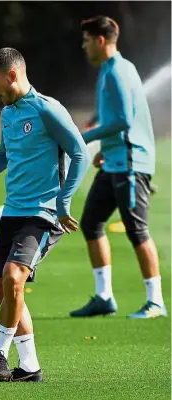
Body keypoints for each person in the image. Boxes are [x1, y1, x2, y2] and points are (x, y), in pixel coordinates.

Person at [0, 47, 90, 382]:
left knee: (14, 278)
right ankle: (29, 366)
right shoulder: (8, 114)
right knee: (4, 290)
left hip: (44, 214)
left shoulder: (47, 109)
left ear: (12, 74)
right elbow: (3, 155)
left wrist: (64, 202)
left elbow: (80, 153)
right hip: (13, 212)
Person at [70, 16, 166, 319]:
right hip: (114, 160)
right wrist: (104, 149)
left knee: (137, 231)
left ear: (100, 40)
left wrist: (87, 137)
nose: (84, 47)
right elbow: (117, 116)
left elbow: (124, 120)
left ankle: (156, 301)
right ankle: (104, 297)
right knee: (91, 223)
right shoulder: (111, 69)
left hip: (129, 163)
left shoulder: (118, 71)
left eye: (86, 40)